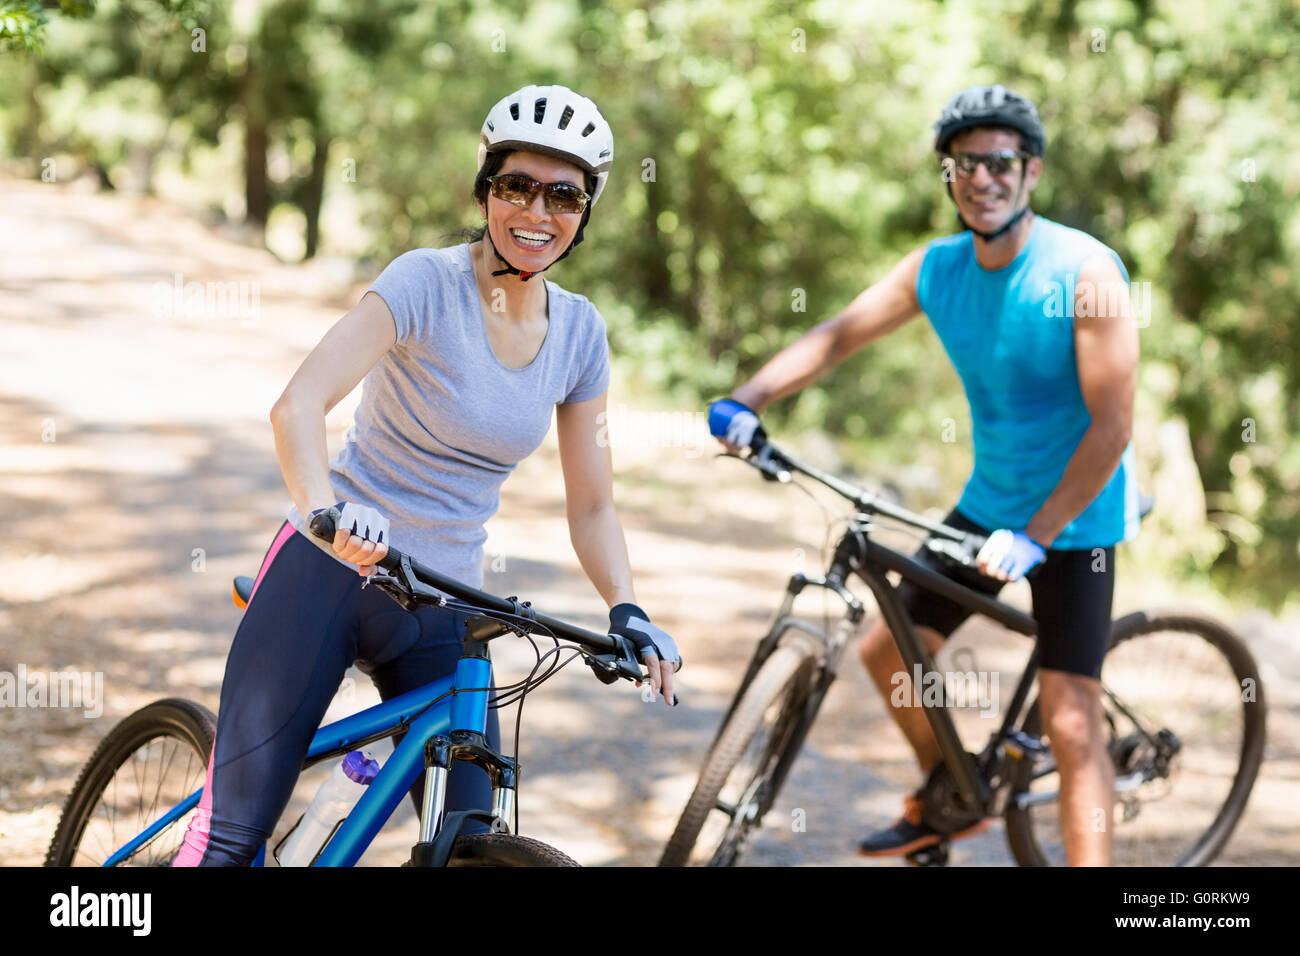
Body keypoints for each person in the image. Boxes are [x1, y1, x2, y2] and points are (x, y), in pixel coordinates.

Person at [172, 84, 681, 866]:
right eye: (517, 187)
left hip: (445, 602)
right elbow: (298, 405)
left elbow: (593, 505)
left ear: (586, 212)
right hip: (329, 570)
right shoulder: (424, 283)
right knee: (232, 843)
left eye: (564, 196)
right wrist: (325, 514)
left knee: (470, 846)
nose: (538, 213)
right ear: (485, 190)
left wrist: (628, 607)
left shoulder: (580, 333)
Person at [708, 85, 1138, 866]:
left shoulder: (1084, 270)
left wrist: (1038, 537)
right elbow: (838, 336)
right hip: (990, 503)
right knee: (888, 651)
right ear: (949, 176)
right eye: (964, 163)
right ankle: (952, 787)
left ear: (1030, 172)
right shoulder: (937, 271)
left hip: (1078, 519)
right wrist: (749, 398)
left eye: (999, 161)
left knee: (1071, 722)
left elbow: (1112, 429)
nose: (982, 177)